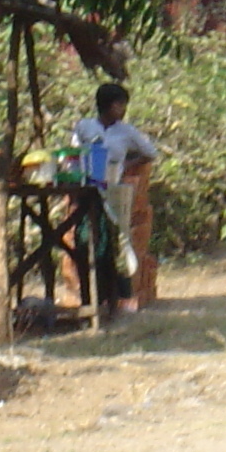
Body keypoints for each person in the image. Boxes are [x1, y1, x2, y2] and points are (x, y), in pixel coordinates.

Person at [73, 82, 160, 314]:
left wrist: (124, 166)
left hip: (111, 193)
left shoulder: (126, 131)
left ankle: (112, 298)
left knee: (110, 246)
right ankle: (87, 297)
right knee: (84, 242)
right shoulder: (85, 127)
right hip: (87, 190)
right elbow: (74, 153)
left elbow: (149, 153)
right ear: (109, 105)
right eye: (120, 104)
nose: (123, 109)